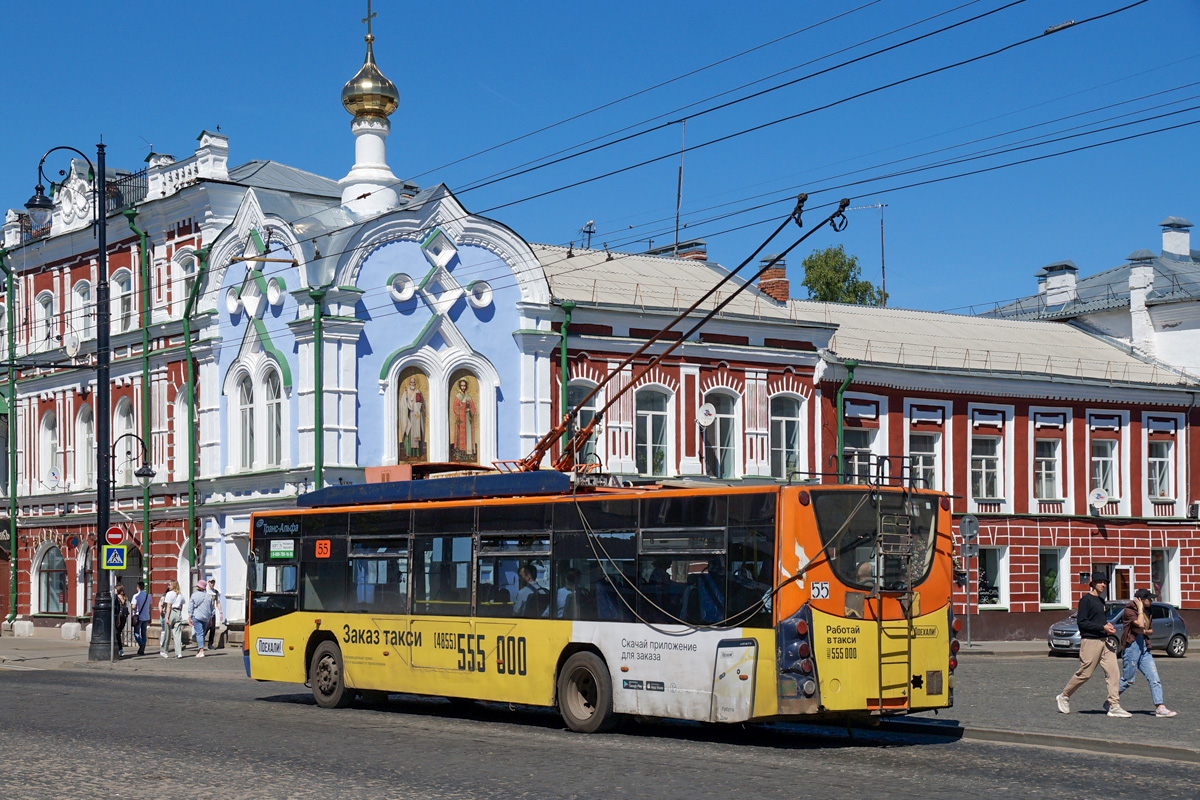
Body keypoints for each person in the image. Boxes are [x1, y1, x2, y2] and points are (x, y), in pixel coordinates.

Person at [1056, 572, 1130, 717]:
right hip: (1090, 642)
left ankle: (1114, 706)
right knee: (1085, 673)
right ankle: (1064, 696)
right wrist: (1102, 627)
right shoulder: (1086, 600)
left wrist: (1106, 625)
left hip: (1105, 642)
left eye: (1105, 582)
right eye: (1100, 582)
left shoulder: (1102, 601)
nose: (1103, 584)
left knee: (1114, 672)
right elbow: (1082, 622)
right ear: (1093, 583)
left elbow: (1098, 621)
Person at [1118, 588, 1177, 717]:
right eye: (1149, 598)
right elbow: (1139, 623)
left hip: (1144, 647)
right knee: (1128, 680)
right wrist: (1139, 610)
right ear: (1140, 600)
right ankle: (1112, 700)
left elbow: (1149, 630)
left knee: (1154, 677)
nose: (1151, 600)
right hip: (1132, 647)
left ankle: (1160, 707)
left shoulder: (1148, 610)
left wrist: (1143, 631)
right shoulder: (1129, 611)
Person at [398, 374, 426, 459]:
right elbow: (403, 405)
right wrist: (406, 399)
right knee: (409, 433)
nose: (412, 384)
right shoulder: (406, 392)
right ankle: (408, 453)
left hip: (417, 416)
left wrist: (418, 405)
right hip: (409, 416)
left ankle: (417, 454)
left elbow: (423, 405)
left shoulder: (418, 392)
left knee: (417, 434)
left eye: (414, 382)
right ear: (409, 383)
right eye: (411, 382)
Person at [188, 578, 215, 658]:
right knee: (202, 633)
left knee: (199, 633)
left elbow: (191, 607)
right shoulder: (209, 596)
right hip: (206, 617)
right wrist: (210, 619)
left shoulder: (194, 595)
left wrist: (189, 616)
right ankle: (201, 648)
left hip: (197, 616)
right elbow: (211, 609)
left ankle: (201, 650)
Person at [451, 378, 476, 461]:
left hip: (467, 420)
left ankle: (468, 453)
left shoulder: (468, 397)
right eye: (461, 386)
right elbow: (455, 407)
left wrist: (470, 411)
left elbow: (472, 407)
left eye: (464, 386)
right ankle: (459, 453)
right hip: (461, 420)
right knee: (460, 437)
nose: (463, 387)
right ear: (459, 387)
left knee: (467, 436)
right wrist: (460, 407)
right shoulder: (458, 397)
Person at [159, 580, 185, 659]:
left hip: (171, 613)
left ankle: (164, 651)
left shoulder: (169, 594)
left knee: (167, 633)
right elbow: (182, 605)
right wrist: (180, 612)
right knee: (177, 634)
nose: (168, 586)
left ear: (173, 586)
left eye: (170, 585)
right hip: (178, 612)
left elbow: (168, 606)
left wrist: (166, 617)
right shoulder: (180, 594)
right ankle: (178, 653)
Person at [130, 580, 152, 656]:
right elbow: (150, 607)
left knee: (136, 632)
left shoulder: (136, 596)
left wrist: (134, 607)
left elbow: (133, 607)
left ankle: (141, 644)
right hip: (146, 616)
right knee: (143, 633)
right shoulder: (148, 596)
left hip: (138, 617)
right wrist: (150, 617)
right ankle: (142, 650)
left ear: (138, 587)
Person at [112, 583, 130, 658]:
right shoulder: (124, 598)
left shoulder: (117, 598)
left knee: (117, 633)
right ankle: (119, 649)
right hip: (124, 617)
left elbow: (117, 609)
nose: (114, 591)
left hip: (119, 617)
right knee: (118, 632)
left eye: (115, 589)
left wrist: (117, 619)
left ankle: (119, 649)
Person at [205, 582, 224, 651]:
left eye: (213, 582)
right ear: (208, 583)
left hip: (212, 613)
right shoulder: (205, 591)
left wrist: (220, 612)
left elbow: (218, 602)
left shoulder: (215, 592)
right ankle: (201, 642)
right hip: (206, 613)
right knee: (205, 628)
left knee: (212, 628)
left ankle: (210, 644)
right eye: (211, 582)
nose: (212, 584)